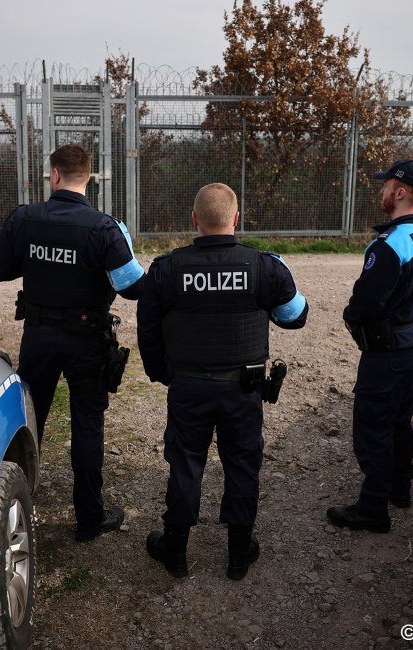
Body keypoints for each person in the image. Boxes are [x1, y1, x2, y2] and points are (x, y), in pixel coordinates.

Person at [137, 183, 308, 580]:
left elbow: (148, 329)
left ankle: (175, 552)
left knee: (185, 465)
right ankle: (237, 555)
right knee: (243, 465)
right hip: (244, 389)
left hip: (189, 386)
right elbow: (296, 316)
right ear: (237, 219)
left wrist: (160, 372)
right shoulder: (264, 267)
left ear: (194, 220)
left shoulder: (167, 269)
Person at [0, 143, 145, 542]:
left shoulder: (24, 219)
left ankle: (14, 511)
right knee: (87, 426)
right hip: (88, 339)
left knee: (29, 421)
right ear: (88, 178)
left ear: (53, 175)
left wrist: (38, 260)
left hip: (39, 337)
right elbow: (132, 289)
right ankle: (89, 519)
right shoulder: (106, 228)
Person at [327, 159, 413, 534]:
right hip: (412, 339)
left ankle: (373, 508)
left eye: (386, 185)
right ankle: (399, 488)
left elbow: (366, 302)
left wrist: (352, 315)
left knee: (373, 426)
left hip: (388, 347)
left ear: (401, 192)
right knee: (398, 418)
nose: (381, 191)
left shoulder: (390, 244)